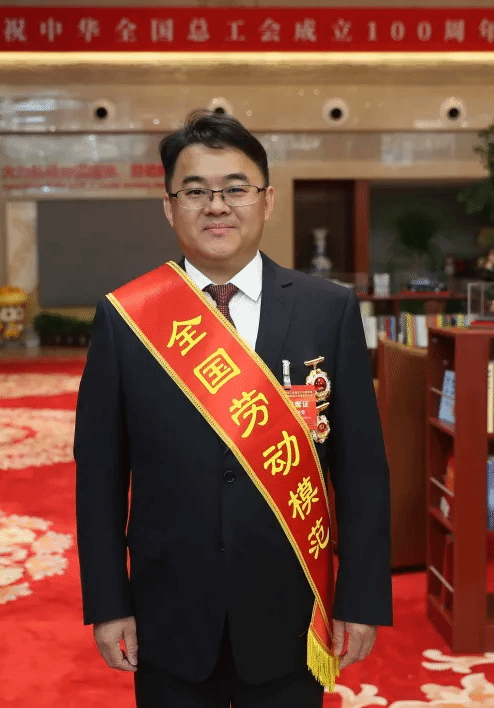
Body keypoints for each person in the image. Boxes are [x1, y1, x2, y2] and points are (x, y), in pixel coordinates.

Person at [74, 110, 392, 708]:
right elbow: (100, 478)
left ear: (267, 200)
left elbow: (362, 470)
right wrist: (109, 603)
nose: (216, 206)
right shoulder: (126, 319)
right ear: (169, 207)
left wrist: (361, 598)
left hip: (290, 612)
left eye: (235, 188)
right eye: (195, 191)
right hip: (168, 613)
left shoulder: (328, 310)